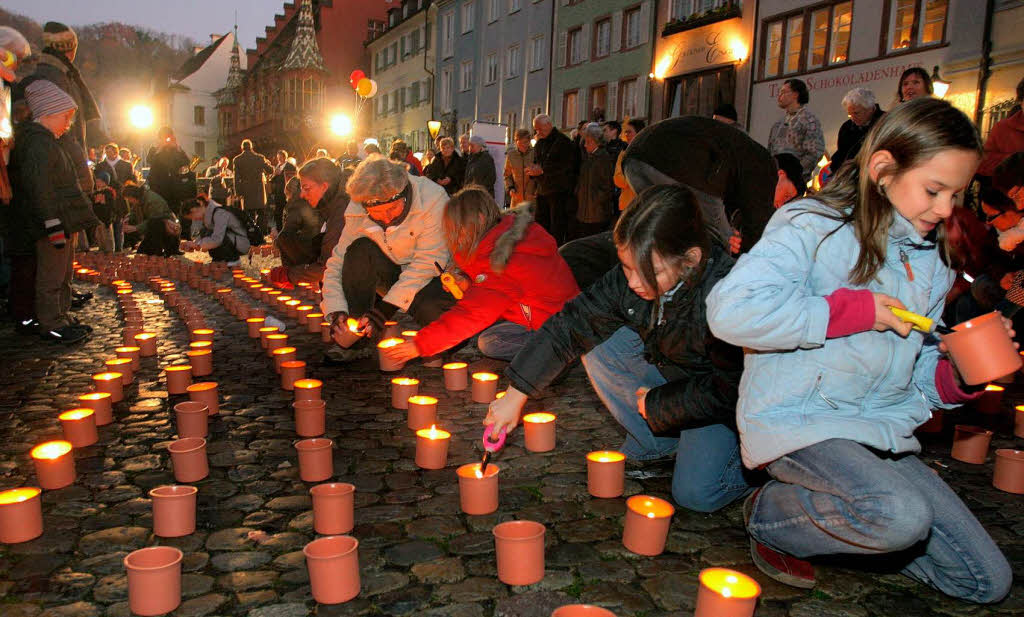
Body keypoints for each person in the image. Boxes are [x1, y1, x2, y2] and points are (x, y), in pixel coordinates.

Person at [706, 97, 1013, 599]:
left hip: (878, 430)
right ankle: (770, 513)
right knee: (899, 515)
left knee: (983, 581)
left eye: (957, 195)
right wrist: (855, 312)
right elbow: (730, 312)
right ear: (883, 169)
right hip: (800, 420)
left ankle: (857, 518)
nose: (946, 210)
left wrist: (956, 377)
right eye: (934, 190)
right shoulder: (812, 225)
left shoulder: (932, 260)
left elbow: (916, 371)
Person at [487, 184, 751, 512]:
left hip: (726, 401)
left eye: (649, 272)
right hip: (675, 369)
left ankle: (759, 478)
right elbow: (571, 324)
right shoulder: (632, 279)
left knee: (696, 494)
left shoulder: (727, 295)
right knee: (595, 338)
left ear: (690, 260)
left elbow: (734, 389)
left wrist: (662, 404)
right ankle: (659, 444)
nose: (634, 283)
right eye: (626, 267)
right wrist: (516, 393)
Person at [381, 188, 579, 364]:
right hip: (551, 316)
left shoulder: (507, 259)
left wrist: (420, 344)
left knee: (489, 342)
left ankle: (557, 359)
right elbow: (498, 289)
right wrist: (468, 283)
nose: (454, 235)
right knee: (487, 334)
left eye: (457, 227)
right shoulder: (507, 235)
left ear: (480, 219)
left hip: (562, 328)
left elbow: (472, 313)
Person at [320, 155, 453, 357]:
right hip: (391, 269)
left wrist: (383, 311)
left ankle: (440, 342)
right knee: (358, 250)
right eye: (377, 213)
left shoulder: (431, 198)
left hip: (433, 276)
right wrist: (337, 311)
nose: (387, 218)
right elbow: (338, 261)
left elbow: (428, 262)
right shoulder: (358, 206)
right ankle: (359, 336)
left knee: (435, 313)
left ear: (404, 193)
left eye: (392, 208)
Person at [7, 80, 97, 343]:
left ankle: (63, 314)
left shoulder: (49, 141)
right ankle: (51, 323)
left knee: (64, 273)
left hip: (63, 219)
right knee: (51, 275)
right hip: (52, 222)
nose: (68, 124)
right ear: (47, 114)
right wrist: (53, 222)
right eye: (65, 117)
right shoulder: (38, 145)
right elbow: (41, 188)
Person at [13, 21, 101, 194]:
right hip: (63, 175)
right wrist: (82, 176)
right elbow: (67, 133)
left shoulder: (47, 74)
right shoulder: (59, 78)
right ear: (71, 49)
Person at [278, 159, 348, 287]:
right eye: (301, 188)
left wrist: (290, 275)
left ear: (324, 187)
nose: (302, 195)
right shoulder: (330, 207)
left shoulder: (342, 211)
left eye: (306, 188)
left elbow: (329, 265)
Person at [531, 114, 579, 245]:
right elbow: (537, 161)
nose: (537, 132)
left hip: (558, 192)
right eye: (536, 129)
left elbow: (567, 167)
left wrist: (543, 170)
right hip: (542, 190)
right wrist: (533, 170)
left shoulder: (564, 142)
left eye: (539, 129)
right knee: (541, 226)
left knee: (556, 228)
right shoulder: (540, 142)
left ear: (548, 125)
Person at [768, 78, 825, 184]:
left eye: (783, 92)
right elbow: (771, 152)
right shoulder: (778, 124)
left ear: (795, 94)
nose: (779, 96)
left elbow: (814, 152)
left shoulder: (809, 120)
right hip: (775, 180)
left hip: (795, 182)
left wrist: (796, 174)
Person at [574, 123, 615, 239]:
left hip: (597, 212)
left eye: (588, 142)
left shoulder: (603, 158)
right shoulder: (589, 158)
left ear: (596, 141)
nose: (585, 145)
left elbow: (607, 186)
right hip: (586, 210)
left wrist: (597, 200)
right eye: (585, 142)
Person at [180, 195, 250, 263]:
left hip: (241, 244)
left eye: (192, 217)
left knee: (212, 235)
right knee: (205, 232)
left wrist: (198, 245)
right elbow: (204, 235)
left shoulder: (219, 213)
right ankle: (219, 260)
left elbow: (217, 239)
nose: (194, 220)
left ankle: (232, 261)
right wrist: (193, 244)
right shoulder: (208, 214)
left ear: (194, 210)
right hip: (232, 240)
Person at [978, 77, 1024, 177]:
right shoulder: (1003, 129)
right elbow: (983, 163)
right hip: (1007, 190)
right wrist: (1012, 161)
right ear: (1021, 101)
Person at [831, 88, 884, 173]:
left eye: (856, 113)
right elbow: (842, 154)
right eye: (849, 114)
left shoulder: (885, 123)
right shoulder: (847, 127)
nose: (853, 118)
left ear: (870, 109)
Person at [122, 183, 181, 257]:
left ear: (132, 196)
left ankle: (161, 253)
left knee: (147, 254)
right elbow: (134, 212)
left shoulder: (152, 200)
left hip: (167, 229)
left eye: (129, 199)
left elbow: (155, 220)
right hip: (155, 228)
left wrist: (135, 228)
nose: (129, 201)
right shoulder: (140, 199)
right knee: (142, 253)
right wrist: (128, 217)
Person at [147, 126, 191, 220]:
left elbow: (186, 162)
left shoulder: (175, 150)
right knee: (159, 211)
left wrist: (178, 148)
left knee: (174, 212)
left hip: (174, 187)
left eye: (168, 137)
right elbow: (150, 161)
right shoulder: (154, 149)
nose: (167, 140)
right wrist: (160, 148)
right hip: (158, 186)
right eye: (164, 137)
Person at [232, 138, 274, 235]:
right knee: (261, 213)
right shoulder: (260, 158)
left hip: (246, 190)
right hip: (259, 189)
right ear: (251, 147)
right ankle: (261, 234)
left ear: (242, 148)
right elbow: (270, 170)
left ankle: (250, 234)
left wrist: (238, 193)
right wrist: (268, 163)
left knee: (248, 214)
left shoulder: (237, 160)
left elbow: (236, 178)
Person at [613, 118, 645, 212]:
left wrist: (627, 177)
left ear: (639, 132)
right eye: (625, 132)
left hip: (643, 204)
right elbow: (617, 179)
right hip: (626, 205)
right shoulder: (623, 154)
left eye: (629, 132)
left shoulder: (647, 152)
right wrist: (631, 178)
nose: (626, 135)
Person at [504, 128, 538, 207]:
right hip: (516, 199)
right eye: (521, 143)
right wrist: (510, 188)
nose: (524, 145)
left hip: (532, 198)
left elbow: (540, 174)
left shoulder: (535, 153)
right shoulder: (511, 155)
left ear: (529, 141)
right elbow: (507, 175)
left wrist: (536, 190)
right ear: (516, 142)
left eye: (526, 142)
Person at [270, 149, 296, 231]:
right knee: (278, 212)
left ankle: (288, 229)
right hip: (278, 193)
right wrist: (275, 174)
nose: (279, 159)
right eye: (278, 158)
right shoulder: (277, 166)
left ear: (285, 157)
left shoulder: (290, 166)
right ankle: (279, 229)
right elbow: (272, 180)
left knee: (288, 211)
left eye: (280, 157)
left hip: (288, 193)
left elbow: (293, 178)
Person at [91, 170, 116, 253]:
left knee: (107, 235)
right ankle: (101, 248)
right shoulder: (96, 192)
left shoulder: (108, 192)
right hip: (98, 217)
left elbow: (110, 206)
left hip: (106, 217)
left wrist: (110, 217)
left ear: (105, 182)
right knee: (99, 234)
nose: (97, 183)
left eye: (99, 181)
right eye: (96, 181)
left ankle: (109, 250)